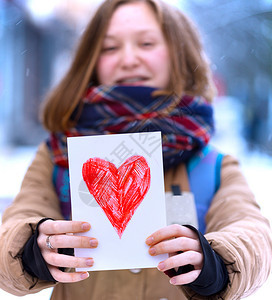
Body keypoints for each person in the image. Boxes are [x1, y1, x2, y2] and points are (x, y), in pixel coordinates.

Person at [0, 0, 271, 299]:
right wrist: (32, 249)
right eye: (110, 47)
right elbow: (13, 230)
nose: (128, 59)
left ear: (179, 55)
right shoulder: (57, 155)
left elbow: (253, 233)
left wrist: (214, 261)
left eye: (146, 43)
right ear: (90, 60)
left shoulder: (212, 165)